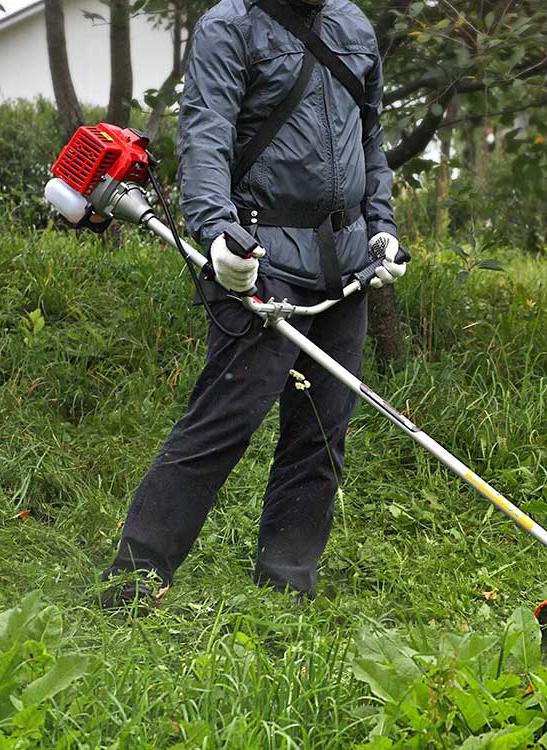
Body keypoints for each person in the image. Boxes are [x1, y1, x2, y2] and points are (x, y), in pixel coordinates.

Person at [100, 0, 405, 607]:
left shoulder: (352, 26)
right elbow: (205, 136)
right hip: (259, 257)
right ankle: (135, 580)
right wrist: (218, 234)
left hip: (343, 261)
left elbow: (370, 138)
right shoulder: (229, 26)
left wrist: (382, 226)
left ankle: (285, 587)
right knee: (223, 422)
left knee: (322, 431)